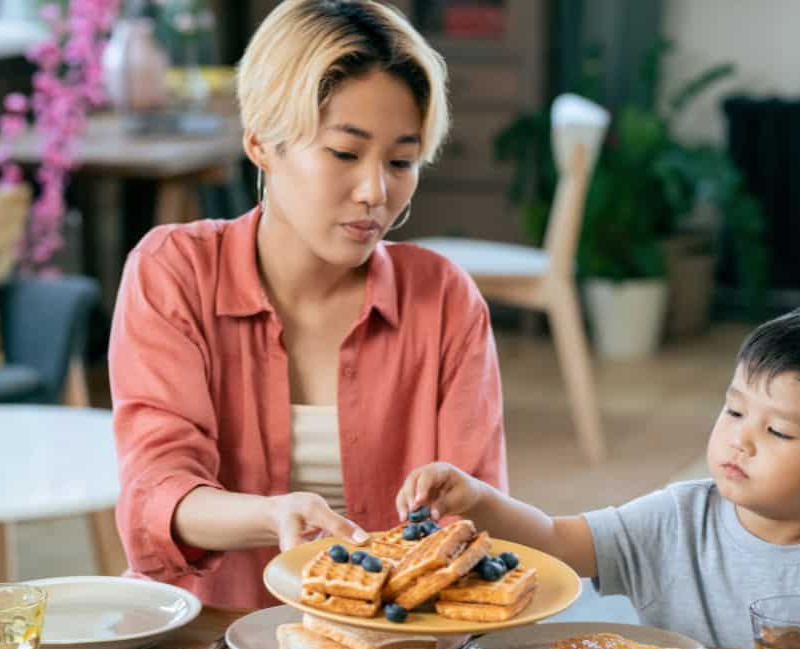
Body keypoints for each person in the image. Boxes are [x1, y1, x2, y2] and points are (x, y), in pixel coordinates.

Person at [109, 0, 508, 609]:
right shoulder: (174, 272)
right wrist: (273, 517)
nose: (376, 192)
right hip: (206, 636)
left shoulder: (444, 301)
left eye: (401, 161)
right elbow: (157, 495)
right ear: (261, 143)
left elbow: (476, 525)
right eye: (345, 154)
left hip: (395, 647)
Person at [397, 301, 800, 649]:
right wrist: (477, 499)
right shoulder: (676, 517)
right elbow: (555, 541)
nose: (740, 440)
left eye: (778, 430)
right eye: (734, 411)